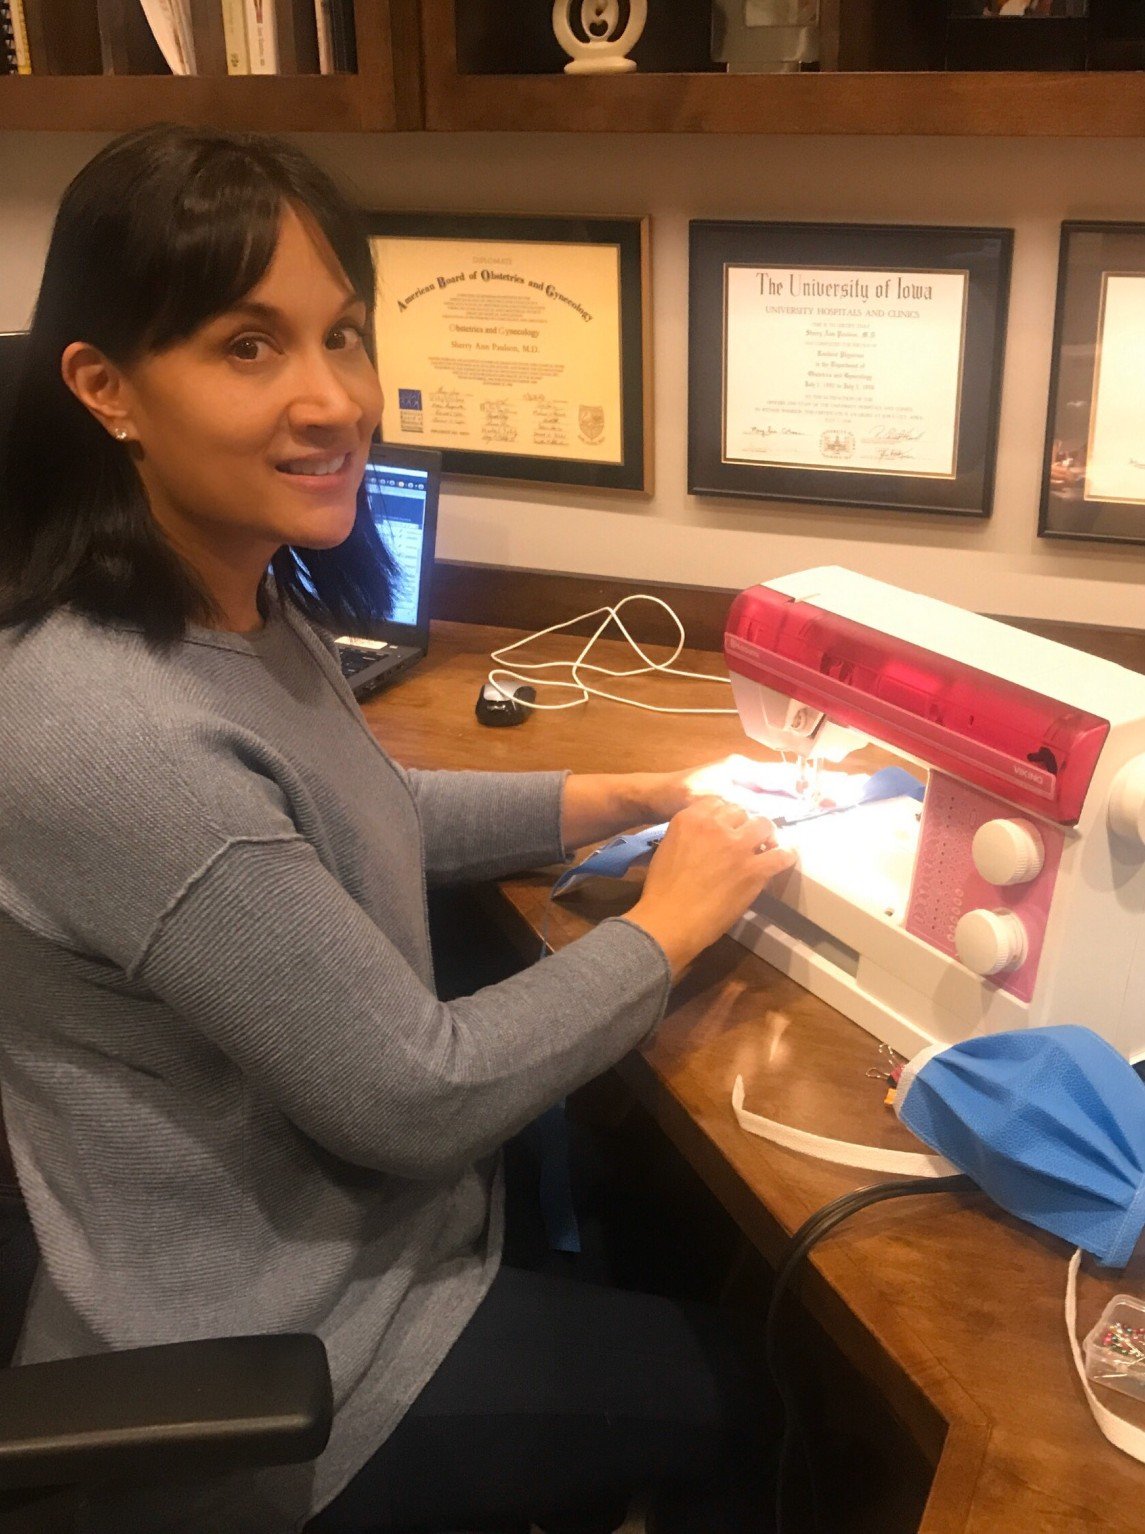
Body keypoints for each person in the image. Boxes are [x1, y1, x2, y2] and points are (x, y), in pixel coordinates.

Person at [0, 124, 795, 1534]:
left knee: (668, 1224)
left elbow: (349, 811)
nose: (334, 399)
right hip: (281, 1367)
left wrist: (604, 798)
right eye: (250, 347)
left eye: (345, 336)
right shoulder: (106, 723)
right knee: (771, 1393)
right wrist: (673, 919)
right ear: (106, 388)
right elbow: (413, 1094)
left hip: (362, 1255)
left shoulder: (236, 600)